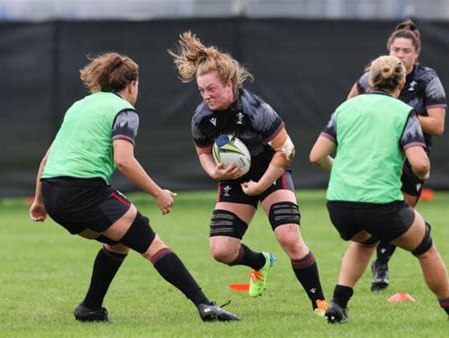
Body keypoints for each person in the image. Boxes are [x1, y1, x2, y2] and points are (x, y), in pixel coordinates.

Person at [29, 52, 239, 323]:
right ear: (131, 85)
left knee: (120, 243)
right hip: (83, 191)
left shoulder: (78, 106)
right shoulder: (123, 111)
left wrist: (39, 201)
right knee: (151, 243)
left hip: (54, 194)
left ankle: (90, 308)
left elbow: (47, 159)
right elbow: (124, 161)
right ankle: (204, 305)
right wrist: (158, 192)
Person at [168, 31, 328, 316]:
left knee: (290, 238)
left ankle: (320, 305)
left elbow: (287, 150)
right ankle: (260, 264)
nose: (206, 95)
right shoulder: (202, 117)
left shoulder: (256, 109)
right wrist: (214, 173)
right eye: (201, 90)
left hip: (270, 171)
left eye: (211, 89)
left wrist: (262, 185)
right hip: (234, 178)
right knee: (221, 251)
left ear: (229, 85)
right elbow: (203, 153)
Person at [310, 55, 449, 323]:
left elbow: (316, 156)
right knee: (425, 247)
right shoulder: (404, 113)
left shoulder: (345, 109)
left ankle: (337, 303)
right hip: (380, 204)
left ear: (370, 79)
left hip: (339, 204)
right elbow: (419, 164)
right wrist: (425, 172)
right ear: (402, 81)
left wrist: (339, 171)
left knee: (365, 241)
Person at [347, 20, 447, 292]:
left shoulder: (428, 80)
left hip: (413, 155)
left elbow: (437, 125)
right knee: (381, 217)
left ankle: (380, 262)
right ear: (388, 49)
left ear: (416, 53)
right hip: (378, 156)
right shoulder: (373, 76)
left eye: (406, 50)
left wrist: (399, 113)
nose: (400, 54)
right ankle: (377, 266)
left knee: (400, 217)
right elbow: (348, 109)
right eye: (396, 49)